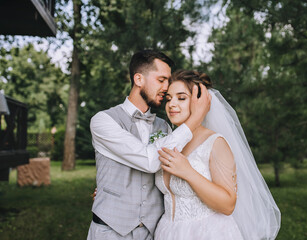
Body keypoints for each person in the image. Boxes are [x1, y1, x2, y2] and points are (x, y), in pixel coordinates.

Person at [87, 50, 211, 240]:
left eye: (168, 81)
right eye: (161, 80)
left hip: (153, 232)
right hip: (110, 231)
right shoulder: (103, 121)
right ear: (138, 79)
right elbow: (151, 161)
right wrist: (195, 119)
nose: (166, 87)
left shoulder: (165, 127)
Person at [154, 70, 281, 240]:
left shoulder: (215, 143)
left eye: (181, 98)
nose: (171, 104)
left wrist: (188, 172)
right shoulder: (170, 142)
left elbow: (228, 205)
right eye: (168, 98)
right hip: (167, 232)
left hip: (207, 232)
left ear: (200, 102)